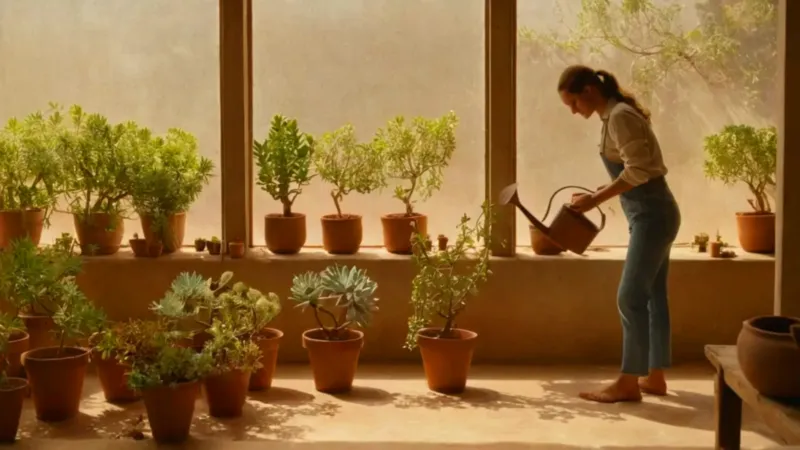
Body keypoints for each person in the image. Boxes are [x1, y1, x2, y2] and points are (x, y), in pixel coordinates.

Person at [557, 65, 681, 403]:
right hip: (654, 213)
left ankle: (628, 382)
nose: (573, 111)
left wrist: (595, 199)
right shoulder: (613, 117)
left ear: (588, 92)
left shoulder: (620, 116)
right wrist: (603, 190)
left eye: (573, 103)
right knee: (653, 296)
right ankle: (654, 377)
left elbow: (639, 170)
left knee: (630, 297)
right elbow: (638, 169)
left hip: (652, 217)